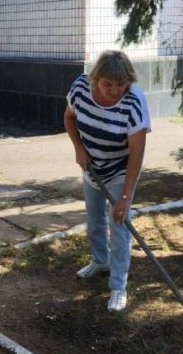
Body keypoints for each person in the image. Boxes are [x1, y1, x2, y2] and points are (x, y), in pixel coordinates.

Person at [64, 50, 151, 312]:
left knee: (119, 226)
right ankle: (100, 261)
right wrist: (79, 148)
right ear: (95, 79)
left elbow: (137, 154)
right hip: (92, 167)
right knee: (94, 219)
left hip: (120, 170)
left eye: (120, 85)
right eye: (107, 84)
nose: (114, 90)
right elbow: (69, 117)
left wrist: (125, 197)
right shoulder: (81, 88)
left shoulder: (134, 103)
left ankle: (118, 286)